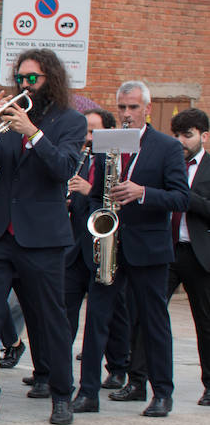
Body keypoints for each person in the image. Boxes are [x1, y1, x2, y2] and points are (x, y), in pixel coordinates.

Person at [0, 49, 85, 424]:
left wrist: (33, 133)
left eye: (33, 78)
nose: (24, 84)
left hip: (42, 238)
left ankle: (61, 396)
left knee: (51, 320)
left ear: (51, 80)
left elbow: (62, 168)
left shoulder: (70, 121)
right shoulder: (8, 117)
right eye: (21, 77)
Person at [73, 81, 189, 417]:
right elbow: (96, 195)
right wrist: (99, 220)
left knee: (154, 322)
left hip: (148, 247)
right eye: (122, 107)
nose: (126, 114)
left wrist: (143, 192)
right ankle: (88, 393)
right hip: (110, 244)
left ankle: (162, 394)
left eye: (133, 107)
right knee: (96, 319)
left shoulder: (166, 147)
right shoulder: (106, 143)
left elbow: (181, 197)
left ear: (147, 109)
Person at [63, 108, 130, 390]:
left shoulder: (113, 159)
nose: (88, 138)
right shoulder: (81, 157)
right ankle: (57, 370)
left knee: (111, 313)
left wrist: (87, 189)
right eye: (85, 132)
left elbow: (109, 196)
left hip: (104, 245)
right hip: (76, 243)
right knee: (65, 310)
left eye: (94, 132)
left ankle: (117, 368)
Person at [165, 108, 210, 406]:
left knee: (205, 323)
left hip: (199, 255)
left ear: (204, 136)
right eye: (177, 135)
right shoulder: (168, 164)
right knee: (148, 314)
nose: (181, 140)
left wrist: (184, 195)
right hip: (166, 251)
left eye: (188, 135)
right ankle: (138, 379)